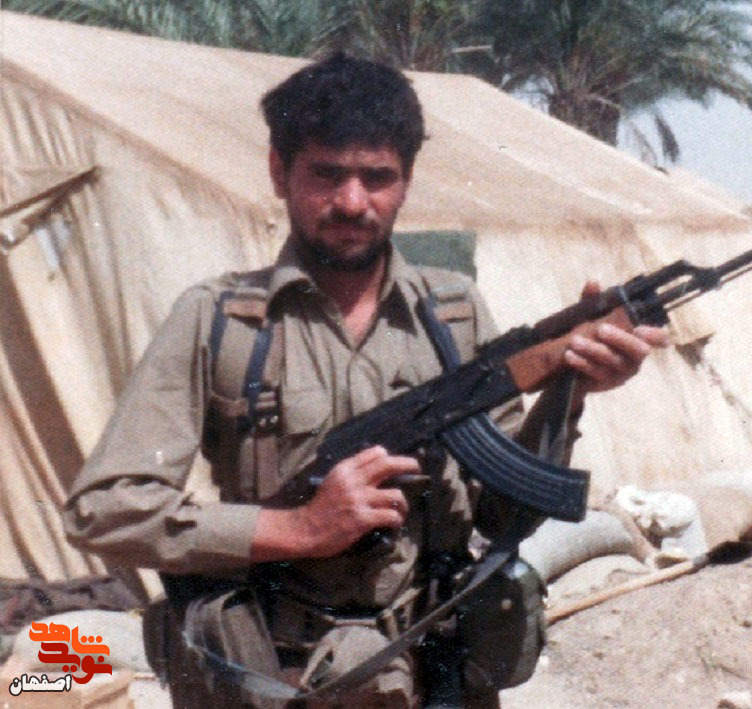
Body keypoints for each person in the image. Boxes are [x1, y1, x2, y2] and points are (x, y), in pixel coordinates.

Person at [62, 54, 667, 707]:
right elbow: (105, 509)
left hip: (436, 672)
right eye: (327, 174)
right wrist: (299, 528)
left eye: (377, 178)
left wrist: (567, 392)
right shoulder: (219, 321)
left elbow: (506, 516)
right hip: (274, 678)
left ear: (406, 182)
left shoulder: (453, 314)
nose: (352, 202)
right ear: (279, 172)